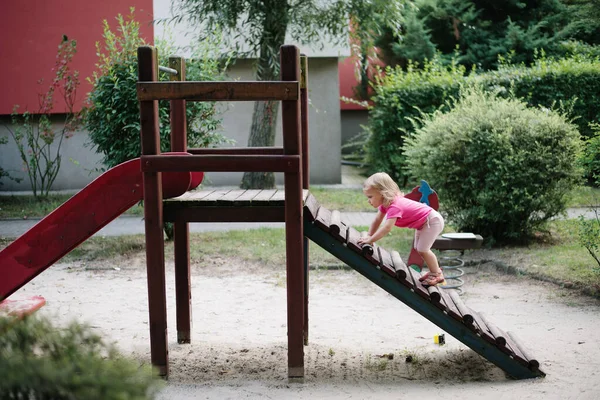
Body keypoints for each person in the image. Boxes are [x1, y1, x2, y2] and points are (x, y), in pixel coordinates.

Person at [357, 172, 445, 286]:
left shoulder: (394, 206)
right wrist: (369, 235)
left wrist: (371, 240)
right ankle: (434, 271)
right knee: (418, 248)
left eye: (370, 197)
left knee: (423, 249)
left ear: (382, 193)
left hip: (432, 221)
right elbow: (377, 220)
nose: (368, 201)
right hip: (424, 222)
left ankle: (437, 273)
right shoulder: (386, 204)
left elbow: (387, 228)